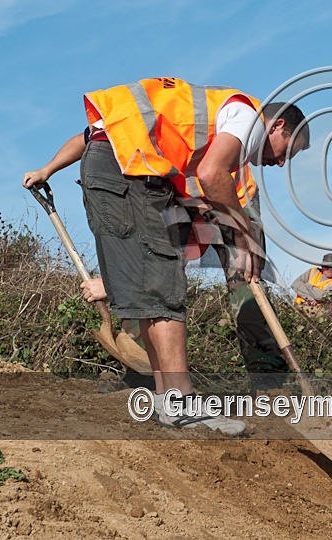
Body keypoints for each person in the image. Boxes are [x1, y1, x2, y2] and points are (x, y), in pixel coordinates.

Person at [24, 77, 310, 435]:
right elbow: (210, 174)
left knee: (152, 284)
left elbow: (90, 136)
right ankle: (182, 403)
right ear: (279, 125)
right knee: (163, 287)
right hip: (131, 177)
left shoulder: (163, 128)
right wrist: (243, 234)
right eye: (289, 149)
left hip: (111, 170)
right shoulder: (246, 117)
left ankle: (167, 400)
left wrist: (48, 168)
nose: (282, 162)